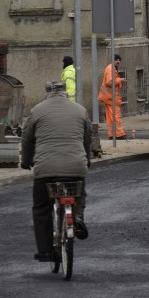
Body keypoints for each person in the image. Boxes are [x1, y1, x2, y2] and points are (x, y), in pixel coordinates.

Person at [21, 81, 92, 262]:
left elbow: (27, 140)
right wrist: (86, 162)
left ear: (47, 94)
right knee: (79, 192)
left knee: (41, 207)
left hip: (46, 168)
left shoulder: (36, 111)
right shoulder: (80, 110)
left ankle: (45, 251)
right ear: (65, 94)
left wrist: (25, 161)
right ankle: (77, 217)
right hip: (75, 166)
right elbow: (87, 141)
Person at [98, 54, 127, 139]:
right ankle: (119, 134)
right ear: (113, 60)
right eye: (116, 60)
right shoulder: (111, 69)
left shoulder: (111, 68)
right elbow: (110, 82)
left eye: (119, 60)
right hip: (111, 98)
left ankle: (112, 134)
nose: (118, 61)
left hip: (109, 97)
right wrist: (120, 80)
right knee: (116, 116)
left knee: (110, 117)